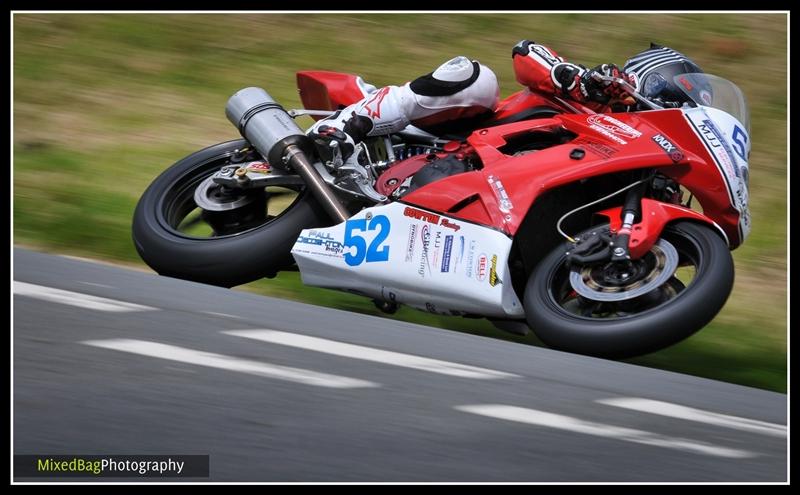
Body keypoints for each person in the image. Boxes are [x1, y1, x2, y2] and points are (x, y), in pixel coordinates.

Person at [309, 41, 705, 161]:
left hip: (496, 184)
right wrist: (572, 77)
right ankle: (345, 127)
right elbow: (526, 52)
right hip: (461, 136)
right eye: (681, 102)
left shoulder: (638, 151)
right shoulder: (594, 91)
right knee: (478, 78)